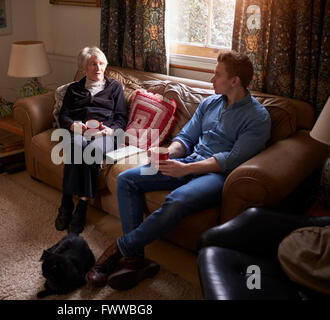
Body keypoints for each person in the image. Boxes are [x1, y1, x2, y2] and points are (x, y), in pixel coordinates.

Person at [86, 51, 272, 290]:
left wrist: (185, 169)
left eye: (217, 75)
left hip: (215, 177)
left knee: (177, 199)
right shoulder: (209, 103)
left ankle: (119, 250)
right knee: (126, 180)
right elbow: (186, 137)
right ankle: (135, 261)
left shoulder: (258, 118)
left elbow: (231, 159)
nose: (211, 80)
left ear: (234, 81)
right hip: (187, 161)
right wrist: (170, 153)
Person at [55, 46, 128, 234]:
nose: (98, 68)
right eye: (93, 64)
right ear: (83, 68)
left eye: (101, 63)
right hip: (80, 131)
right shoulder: (74, 89)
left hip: (105, 134)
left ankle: (80, 205)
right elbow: (64, 115)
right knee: (75, 146)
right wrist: (73, 126)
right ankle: (67, 202)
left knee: (92, 151)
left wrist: (109, 131)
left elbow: (121, 118)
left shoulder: (115, 87)